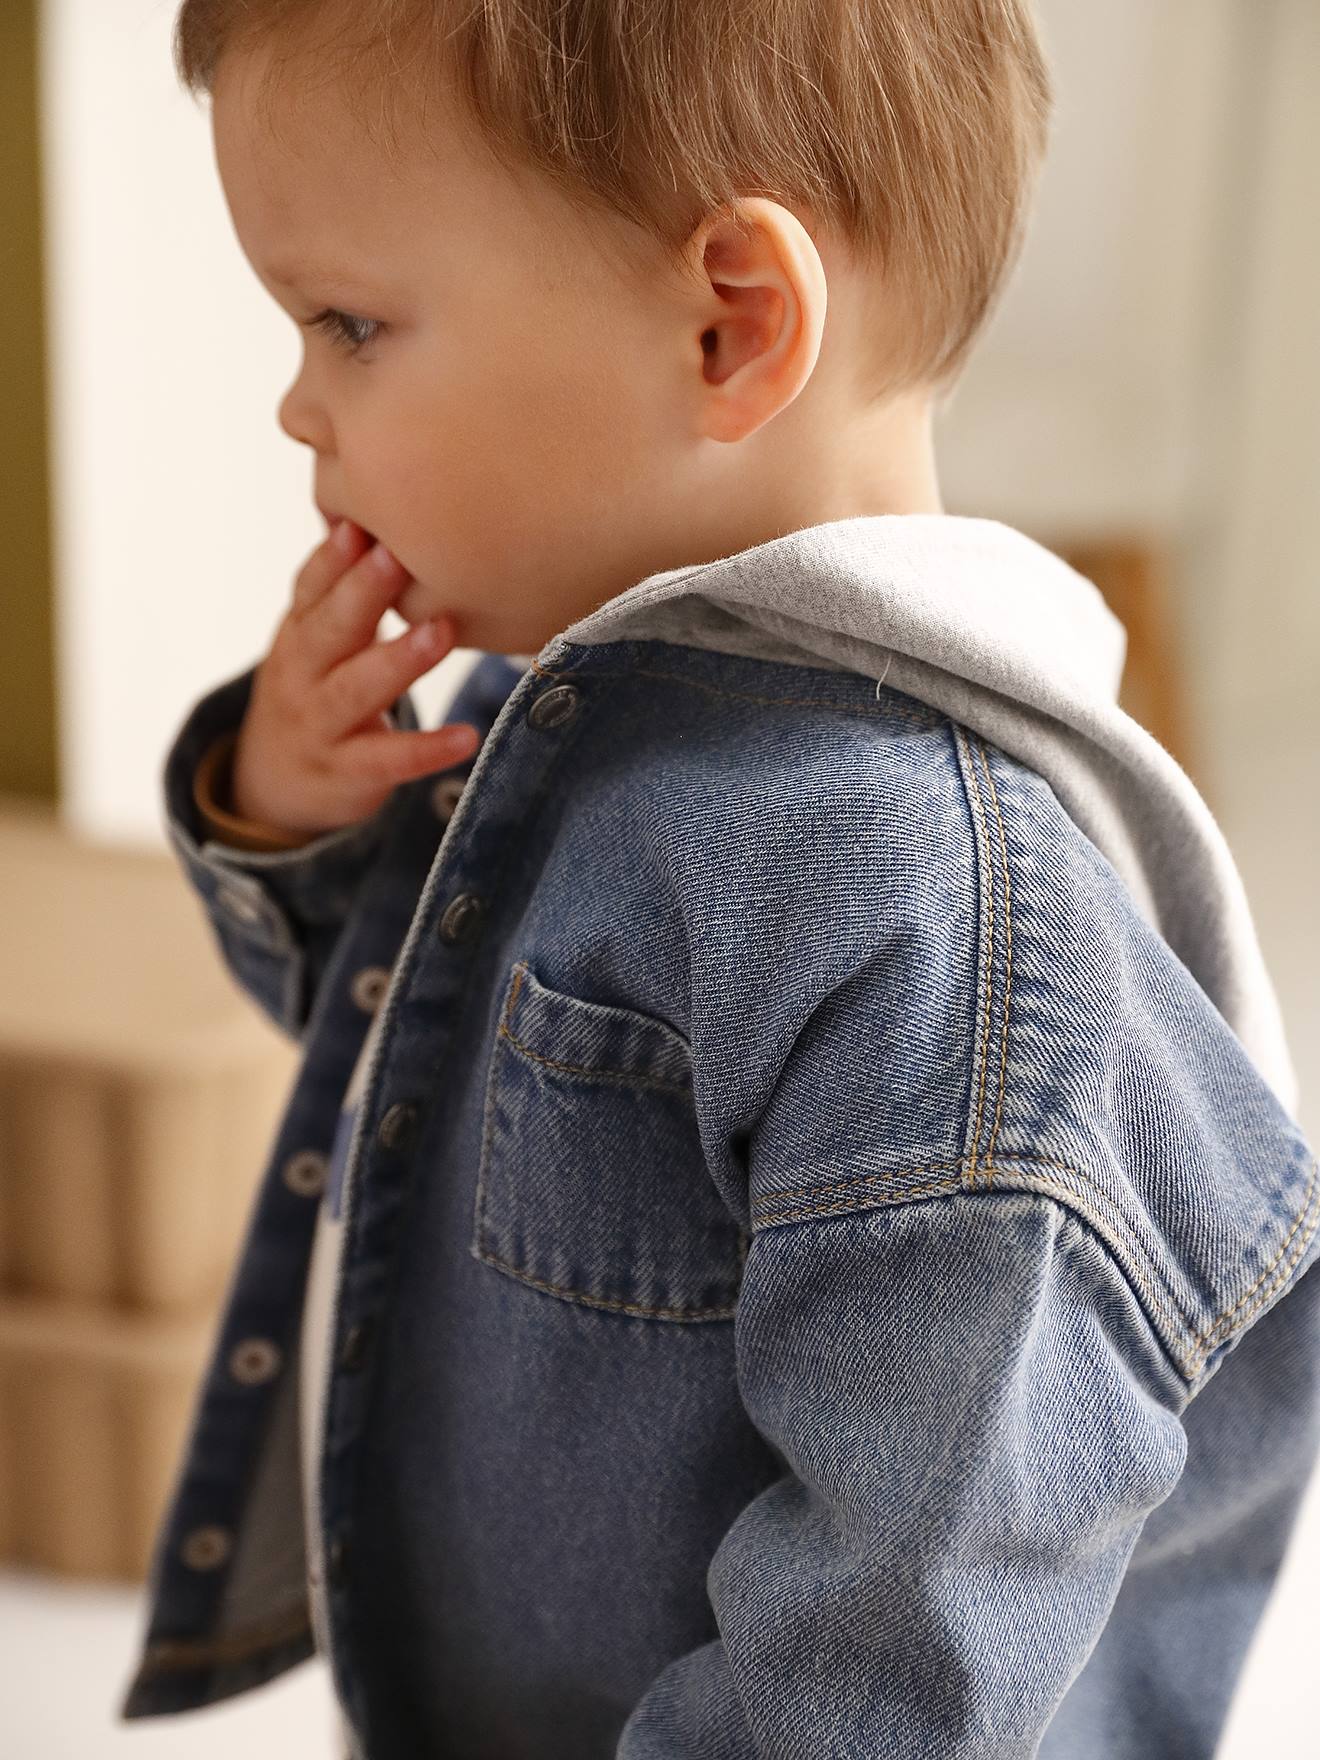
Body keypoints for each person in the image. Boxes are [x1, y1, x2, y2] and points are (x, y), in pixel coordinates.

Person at [119, 2, 1320, 1755]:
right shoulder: (558, 704)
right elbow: (412, 1081)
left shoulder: (945, 926)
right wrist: (289, 810)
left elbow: (911, 1621)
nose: (298, 401)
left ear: (726, 323)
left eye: (351, 323)